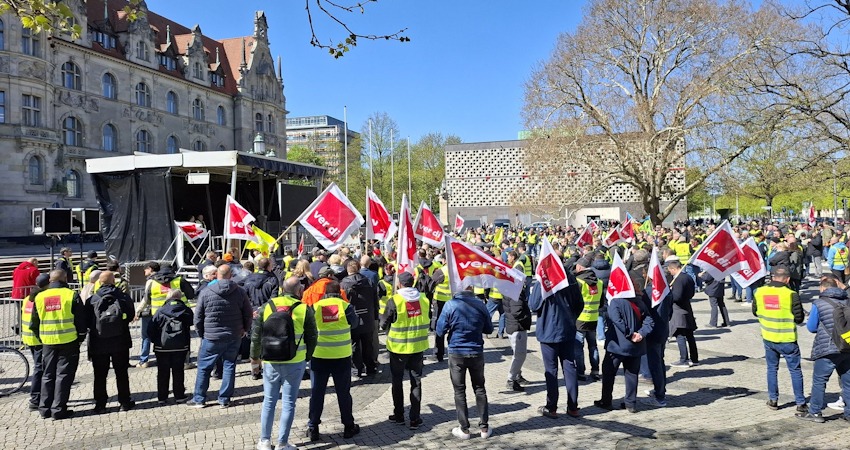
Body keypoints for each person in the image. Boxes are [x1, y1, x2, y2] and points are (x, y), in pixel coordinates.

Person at [252, 277, 317, 450]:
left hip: (270, 360)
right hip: (295, 361)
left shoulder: (268, 306)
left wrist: (254, 358)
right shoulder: (304, 308)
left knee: (269, 400)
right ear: (298, 291)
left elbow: (256, 334)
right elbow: (312, 336)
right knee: (289, 403)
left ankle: (264, 441)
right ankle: (282, 443)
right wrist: (307, 356)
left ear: (282, 288)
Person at [188, 264, 253, 408]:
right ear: (230, 275)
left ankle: (199, 399)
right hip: (234, 335)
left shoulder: (206, 292)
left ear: (217, 275)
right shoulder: (240, 292)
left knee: (204, 367)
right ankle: (224, 399)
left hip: (212, 336)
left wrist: (201, 334)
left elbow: (198, 317)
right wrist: (244, 329)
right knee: (229, 365)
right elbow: (248, 313)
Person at [436, 286, 494, 440]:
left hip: (457, 352)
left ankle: (464, 429)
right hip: (476, 351)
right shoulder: (480, 304)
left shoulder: (450, 304)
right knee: (480, 388)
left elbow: (440, 330)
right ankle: (484, 428)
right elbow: (489, 328)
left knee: (459, 391)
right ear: (471, 288)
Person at [307, 280, 361, 441]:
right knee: (343, 393)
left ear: (325, 292)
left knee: (317, 393)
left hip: (319, 355)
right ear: (340, 291)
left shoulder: (315, 306)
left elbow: (308, 327)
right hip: (341, 356)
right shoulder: (345, 306)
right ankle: (348, 426)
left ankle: (313, 427)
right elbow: (355, 324)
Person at [30, 269, 87, 419]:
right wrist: (81, 337)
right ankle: (58, 409)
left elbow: (34, 323)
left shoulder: (40, 297)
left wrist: (41, 338)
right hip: (69, 341)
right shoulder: (71, 295)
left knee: (47, 374)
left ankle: (44, 408)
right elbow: (81, 320)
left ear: (50, 280)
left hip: (48, 342)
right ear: (66, 279)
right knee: (63, 375)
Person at [753, 267, 807, 413]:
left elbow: (755, 311)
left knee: (772, 369)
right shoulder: (791, 294)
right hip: (787, 339)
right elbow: (799, 318)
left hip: (768, 337)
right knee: (795, 370)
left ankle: (773, 400)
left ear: (772, 277)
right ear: (787, 279)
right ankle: (800, 403)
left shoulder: (759, 292)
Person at [797, 276, 850, 423]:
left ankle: (815, 412)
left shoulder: (819, 303)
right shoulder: (847, 301)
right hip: (847, 347)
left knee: (820, 380)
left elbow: (811, 327)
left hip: (827, 348)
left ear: (823, 288)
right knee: (848, 382)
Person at [380, 271, 429, 429]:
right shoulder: (424, 299)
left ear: (399, 284)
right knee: (416, 382)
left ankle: (399, 415)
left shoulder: (394, 300)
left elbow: (383, 323)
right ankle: (415, 418)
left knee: (397, 381)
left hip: (398, 348)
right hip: (417, 347)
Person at [596, 290, 654, 413]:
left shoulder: (615, 302)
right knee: (632, 375)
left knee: (608, 373)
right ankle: (630, 403)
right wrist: (641, 334)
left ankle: (606, 401)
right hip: (636, 346)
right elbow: (649, 320)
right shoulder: (639, 302)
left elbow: (616, 320)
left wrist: (630, 334)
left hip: (617, 346)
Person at [86, 271, 136, 413]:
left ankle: (100, 404)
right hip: (120, 340)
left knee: (100, 375)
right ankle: (125, 402)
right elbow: (131, 315)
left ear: (100, 283)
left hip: (98, 342)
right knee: (121, 373)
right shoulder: (123, 297)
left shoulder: (93, 299)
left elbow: (87, 320)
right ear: (114, 281)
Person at [148, 289, 194, 405]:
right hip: (180, 345)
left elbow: (151, 329)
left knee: (162, 371)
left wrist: (156, 341)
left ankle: (162, 397)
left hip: (162, 346)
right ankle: (179, 395)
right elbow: (192, 322)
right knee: (178, 371)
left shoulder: (160, 311)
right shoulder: (186, 310)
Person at [341, 260, 379, 377]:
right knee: (368, 344)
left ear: (348, 270)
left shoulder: (343, 284)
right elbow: (375, 300)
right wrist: (375, 315)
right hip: (367, 316)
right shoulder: (368, 281)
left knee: (354, 344)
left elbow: (343, 302)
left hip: (353, 317)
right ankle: (370, 367)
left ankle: (356, 369)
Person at [20, 273, 49, 410]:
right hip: (38, 339)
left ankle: (39, 397)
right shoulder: (40, 298)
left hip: (29, 338)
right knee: (39, 368)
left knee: (39, 367)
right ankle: (35, 399)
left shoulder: (27, 298)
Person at [573, 256, 603, 382]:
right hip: (593, 318)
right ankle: (595, 371)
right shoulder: (599, 282)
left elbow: (574, 302)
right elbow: (601, 303)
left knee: (579, 348)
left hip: (580, 319)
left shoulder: (578, 282)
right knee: (593, 346)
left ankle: (580, 372)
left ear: (580, 267)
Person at [667, 261, 699, 367]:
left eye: (670, 270)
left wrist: (669, 293)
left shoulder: (679, 279)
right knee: (690, 335)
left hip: (679, 310)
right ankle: (694, 358)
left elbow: (677, 297)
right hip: (687, 308)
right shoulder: (688, 277)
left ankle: (683, 359)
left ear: (673, 269)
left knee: (680, 335)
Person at [504, 280, 532, 392]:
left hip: (513, 326)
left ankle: (517, 376)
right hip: (517, 327)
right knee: (520, 355)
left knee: (518, 353)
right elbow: (517, 311)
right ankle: (511, 379)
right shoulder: (516, 291)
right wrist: (527, 317)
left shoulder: (509, 288)